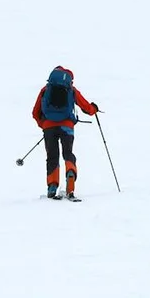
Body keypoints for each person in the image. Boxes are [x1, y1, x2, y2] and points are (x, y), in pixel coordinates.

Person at [31, 65, 98, 199]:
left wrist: (44, 125)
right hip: (67, 126)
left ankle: (52, 186)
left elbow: (35, 112)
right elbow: (86, 107)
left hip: (49, 127)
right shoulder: (71, 89)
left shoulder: (45, 90)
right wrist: (94, 109)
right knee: (68, 153)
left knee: (52, 156)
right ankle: (70, 176)